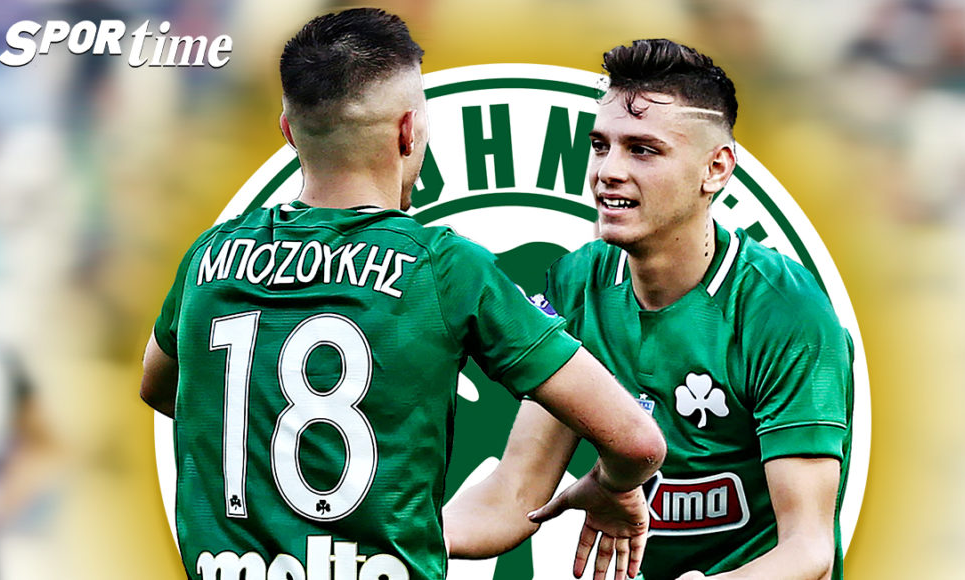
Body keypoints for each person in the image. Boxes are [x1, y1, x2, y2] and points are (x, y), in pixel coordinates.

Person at [139, 10, 666, 580]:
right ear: (408, 131)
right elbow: (637, 442)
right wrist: (613, 487)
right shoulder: (442, 267)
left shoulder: (209, 256)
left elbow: (160, 386)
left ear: (288, 130)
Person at [444, 39, 854, 580]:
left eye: (642, 150)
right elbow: (512, 496)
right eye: (600, 145)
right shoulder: (579, 285)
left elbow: (807, 549)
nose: (607, 171)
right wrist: (373, 539)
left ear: (715, 169)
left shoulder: (785, 312)